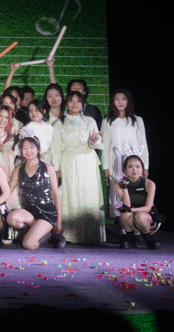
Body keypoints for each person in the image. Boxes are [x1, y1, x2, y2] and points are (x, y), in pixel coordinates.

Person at [50, 91, 105, 244]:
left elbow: (95, 143)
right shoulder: (59, 123)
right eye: (71, 101)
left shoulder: (89, 121)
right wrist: (57, 169)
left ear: (83, 104)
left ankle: (90, 235)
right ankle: (69, 235)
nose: (75, 104)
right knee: (70, 195)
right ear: (66, 103)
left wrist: (93, 140)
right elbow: (55, 148)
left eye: (78, 101)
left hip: (87, 161)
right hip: (68, 162)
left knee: (87, 195)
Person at [7, 136, 64, 250]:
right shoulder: (19, 169)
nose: (28, 151)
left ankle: (48, 234)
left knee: (28, 244)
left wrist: (59, 221)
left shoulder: (48, 168)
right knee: (11, 218)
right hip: (29, 212)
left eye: (32, 147)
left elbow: (56, 195)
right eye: (24, 148)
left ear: (38, 149)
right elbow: (8, 190)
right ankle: (37, 231)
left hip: (46, 212)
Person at [102, 89, 148, 216]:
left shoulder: (137, 120)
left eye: (123, 99)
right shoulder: (107, 121)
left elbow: (143, 143)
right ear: (112, 102)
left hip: (133, 162)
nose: (120, 102)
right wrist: (106, 167)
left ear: (128, 101)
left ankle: (135, 218)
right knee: (118, 189)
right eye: (116, 99)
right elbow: (105, 145)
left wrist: (145, 166)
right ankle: (121, 220)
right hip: (115, 160)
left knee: (134, 188)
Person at [114, 155, 161, 250]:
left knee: (139, 216)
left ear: (142, 169)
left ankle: (148, 239)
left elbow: (148, 208)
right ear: (125, 170)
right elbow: (127, 205)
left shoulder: (149, 184)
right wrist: (125, 188)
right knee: (124, 213)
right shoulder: (118, 186)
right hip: (130, 222)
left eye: (137, 167)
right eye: (130, 167)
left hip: (147, 220)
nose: (134, 169)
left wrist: (131, 210)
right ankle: (130, 238)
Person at [18, 99, 54, 163]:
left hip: (47, 159)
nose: (33, 113)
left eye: (36, 110)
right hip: (31, 159)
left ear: (44, 111)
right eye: (30, 111)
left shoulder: (49, 127)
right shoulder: (27, 127)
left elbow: (53, 145)